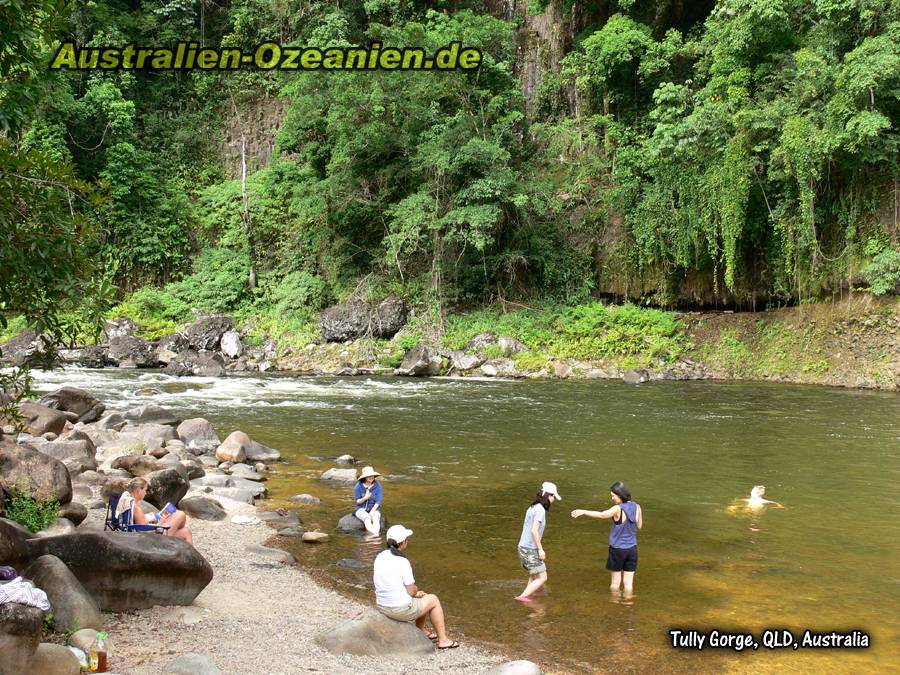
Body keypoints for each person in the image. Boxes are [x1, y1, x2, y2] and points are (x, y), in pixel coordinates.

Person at [373, 524, 459, 649]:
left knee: (421, 598)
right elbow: (412, 590)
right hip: (398, 610)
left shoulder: (379, 556)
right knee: (433, 599)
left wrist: (416, 594)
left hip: (382, 606)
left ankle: (420, 631)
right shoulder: (402, 561)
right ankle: (443, 640)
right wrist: (416, 593)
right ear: (403, 543)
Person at [571, 481, 642, 595]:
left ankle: (615, 606)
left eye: (613, 496)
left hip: (618, 550)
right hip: (632, 549)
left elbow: (602, 515)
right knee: (628, 584)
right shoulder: (637, 506)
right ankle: (628, 605)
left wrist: (583, 511)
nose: (612, 498)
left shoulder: (617, 509)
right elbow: (639, 526)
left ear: (620, 495)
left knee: (615, 583)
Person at [514, 481, 562, 602]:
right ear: (548, 496)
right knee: (542, 577)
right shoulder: (540, 510)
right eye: (554, 497)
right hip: (530, 549)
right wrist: (540, 549)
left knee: (534, 575)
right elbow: (534, 531)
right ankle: (522, 597)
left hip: (523, 547)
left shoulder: (532, 507)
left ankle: (529, 594)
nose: (554, 500)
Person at [119, 477, 194, 545]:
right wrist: (160, 522)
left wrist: (154, 517)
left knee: (186, 532)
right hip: (152, 537)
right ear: (138, 490)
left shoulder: (130, 502)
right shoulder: (136, 508)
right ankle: (172, 547)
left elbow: (141, 524)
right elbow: (144, 530)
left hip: (149, 532)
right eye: (145, 490)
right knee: (180, 514)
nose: (145, 493)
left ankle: (191, 558)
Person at [353, 466, 383, 535]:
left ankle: (375, 535)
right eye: (369, 476)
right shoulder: (358, 486)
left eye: (372, 475)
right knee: (367, 518)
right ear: (364, 477)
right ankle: (375, 536)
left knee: (375, 518)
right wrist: (365, 498)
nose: (371, 477)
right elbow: (357, 501)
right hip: (360, 508)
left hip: (374, 508)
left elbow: (378, 500)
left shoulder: (378, 485)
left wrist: (372, 511)